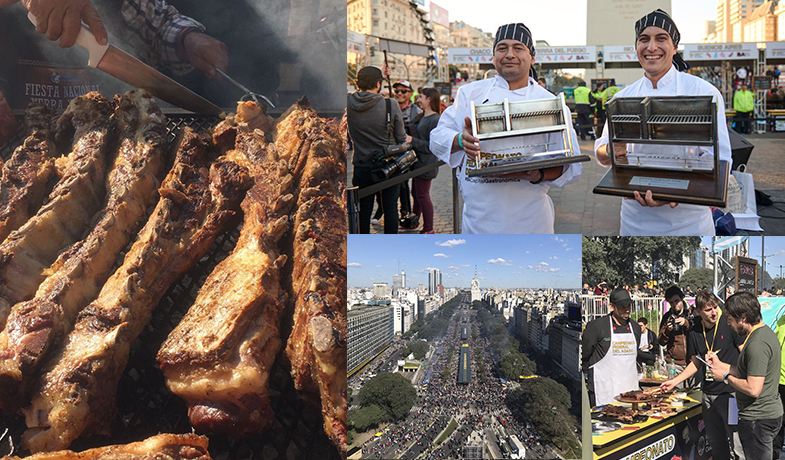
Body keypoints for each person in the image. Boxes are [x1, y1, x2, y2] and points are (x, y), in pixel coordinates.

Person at [429, 22, 581, 234]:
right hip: (478, 221)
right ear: (493, 57)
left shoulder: (549, 102)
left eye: (518, 48)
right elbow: (436, 138)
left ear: (532, 57)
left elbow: (572, 167)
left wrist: (536, 174)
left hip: (532, 221)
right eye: (502, 48)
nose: (509, 54)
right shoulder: (470, 94)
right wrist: (461, 141)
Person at [594, 9, 732, 235]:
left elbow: (721, 160)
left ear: (675, 47)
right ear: (636, 47)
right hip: (633, 220)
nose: (651, 47)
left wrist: (671, 195)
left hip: (688, 222)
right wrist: (610, 149)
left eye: (661, 38)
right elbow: (601, 153)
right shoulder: (622, 98)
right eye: (643, 39)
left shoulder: (703, 92)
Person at [660, 290, 745, 460]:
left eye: (715, 307)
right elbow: (695, 362)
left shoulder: (729, 325)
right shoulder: (694, 332)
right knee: (716, 443)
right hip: (708, 395)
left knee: (737, 443)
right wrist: (674, 381)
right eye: (708, 310)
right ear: (698, 311)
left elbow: (745, 356)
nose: (714, 312)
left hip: (731, 394)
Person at [706, 292, 783, 460]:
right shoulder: (763, 333)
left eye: (730, 319)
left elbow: (753, 388)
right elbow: (748, 370)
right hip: (762, 417)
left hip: (758, 420)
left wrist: (725, 377)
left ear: (743, 318)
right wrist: (720, 365)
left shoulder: (757, 344)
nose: (728, 323)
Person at [347, 66, 411, 234]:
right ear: (378, 83)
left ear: (358, 83)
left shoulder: (348, 103)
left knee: (363, 210)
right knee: (390, 208)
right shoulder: (390, 104)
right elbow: (401, 137)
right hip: (388, 167)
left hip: (361, 165)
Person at [582, 288, 641, 407]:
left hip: (630, 390)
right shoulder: (597, 327)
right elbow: (586, 353)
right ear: (612, 306)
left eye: (628, 305)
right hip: (603, 390)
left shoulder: (635, 327)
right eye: (622, 306)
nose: (627, 310)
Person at [408, 87, 441, 234]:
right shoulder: (422, 116)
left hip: (426, 164)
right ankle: (414, 222)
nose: (418, 100)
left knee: (422, 195)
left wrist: (412, 140)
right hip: (418, 163)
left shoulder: (435, 120)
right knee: (416, 193)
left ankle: (429, 228)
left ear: (429, 99)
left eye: (421, 97)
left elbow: (431, 146)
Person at [393, 80, 421, 230]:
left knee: (407, 187)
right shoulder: (390, 107)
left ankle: (407, 215)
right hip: (392, 152)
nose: (399, 93)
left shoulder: (416, 111)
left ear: (410, 94)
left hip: (410, 154)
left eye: (403, 91)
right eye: (397, 90)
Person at [658, 285, 694, 390]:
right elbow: (661, 341)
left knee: (695, 396)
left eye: (676, 301)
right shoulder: (667, 317)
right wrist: (667, 330)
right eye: (671, 303)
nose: (674, 305)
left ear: (682, 298)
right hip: (674, 364)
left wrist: (687, 324)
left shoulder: (692, 313)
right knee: (675, 395)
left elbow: (700, 332)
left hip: (693, 362)